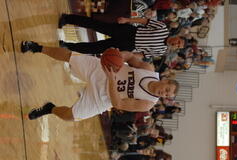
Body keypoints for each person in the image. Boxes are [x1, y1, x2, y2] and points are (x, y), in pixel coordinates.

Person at [20, 41, 180, 121]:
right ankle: (36, 47)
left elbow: (119, 104)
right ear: (165, 81)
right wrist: (118, 57)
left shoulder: (147, 103)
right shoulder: (148, 69)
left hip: (104, 97)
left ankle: (50, 109)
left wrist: (112, 79)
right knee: (70, 56)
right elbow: (130, 56)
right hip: (102, 71)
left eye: (167, 96)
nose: (163, 94)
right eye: (167, 90)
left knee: (69, 116)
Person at [58, 14, 185, 62]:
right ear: (177, 37)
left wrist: (124, 57)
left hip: (128, 46)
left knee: (96, 48)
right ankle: (67, 19)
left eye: (178, 46)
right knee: (96, 25)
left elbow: (142, 54)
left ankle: (68, 45)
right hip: (129, 32)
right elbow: (144, 21)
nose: (176, 44)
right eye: (178, 42)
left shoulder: (161, 51)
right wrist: (127, 20)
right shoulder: (163, 28)